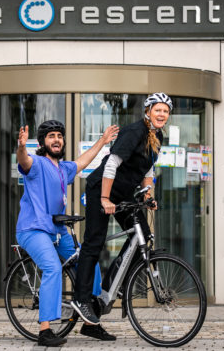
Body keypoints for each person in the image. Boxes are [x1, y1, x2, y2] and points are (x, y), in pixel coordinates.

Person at [71, 92, 173, 327]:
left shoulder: (157, 135)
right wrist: (105, 199)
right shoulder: (135, 131)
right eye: (158, 109)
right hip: (101, 189)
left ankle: (106, 294)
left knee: (144, 238)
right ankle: (81, 299)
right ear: (148, 111)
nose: (162, 114)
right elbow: (112, 164)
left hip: (125, 193)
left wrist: (148, 195)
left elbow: (148, 169)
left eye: (165, 111)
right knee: (94, 242)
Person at [16, 120, 119, 347]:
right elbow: (24, 161)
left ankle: (90, 324)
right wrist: (22, 146)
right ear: (43, 141)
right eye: (51, 136)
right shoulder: (38, 164)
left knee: (88, 262)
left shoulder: (63, 169)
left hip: (57, 231)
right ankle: (45, 331)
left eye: (59, 136)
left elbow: (83, 162)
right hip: (33, 229)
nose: (56, 139)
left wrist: (102, 141)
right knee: (53, 268)